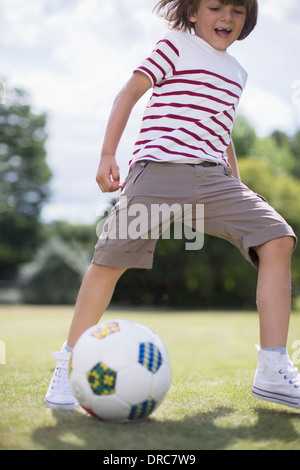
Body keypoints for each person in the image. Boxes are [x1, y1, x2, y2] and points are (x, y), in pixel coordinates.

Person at [45, 0, 300, 411]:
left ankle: (272, 368)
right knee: (109, 261)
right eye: (216, 7)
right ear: (194, 13)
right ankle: (68, 363)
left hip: (214, 179)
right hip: (159, 172)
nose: (227, 18)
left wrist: (237, 185)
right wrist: (108, 153)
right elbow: (128, 93)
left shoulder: (237, 72)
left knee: (277, 237)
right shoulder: (174, 44)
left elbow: (222, 128)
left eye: (237, 10)